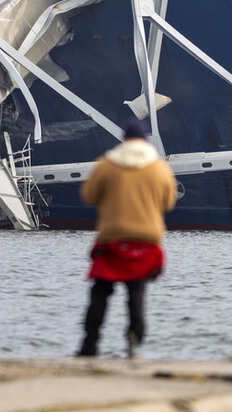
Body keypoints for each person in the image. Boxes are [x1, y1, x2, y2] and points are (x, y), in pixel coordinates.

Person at [77, 117, 177, 359]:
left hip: (112, 239)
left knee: (100, 294)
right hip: (146, 240)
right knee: (137, 295)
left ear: (123, 140)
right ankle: (135, 344)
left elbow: (89, 196)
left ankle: (90, 346)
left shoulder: (106, 165)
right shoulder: (159, 168)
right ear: (144, 141)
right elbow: (168, 202)